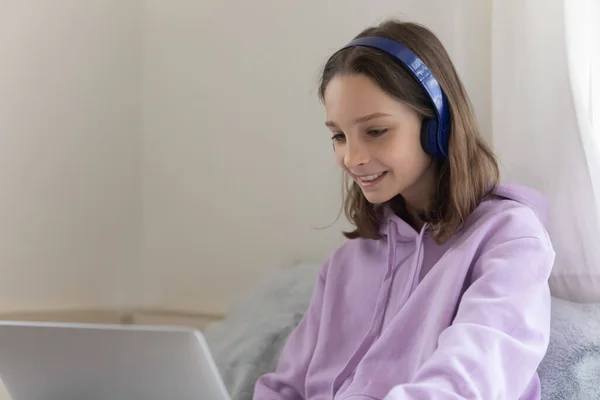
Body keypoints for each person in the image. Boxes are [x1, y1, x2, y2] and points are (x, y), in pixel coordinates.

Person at [253, 19, 554, 400]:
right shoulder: (345, 265)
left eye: (376, 131)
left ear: (437, 124)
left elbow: (467, 384)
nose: (353, 158)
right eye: (339, 135)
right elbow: (285, 389)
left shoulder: (509, 239)